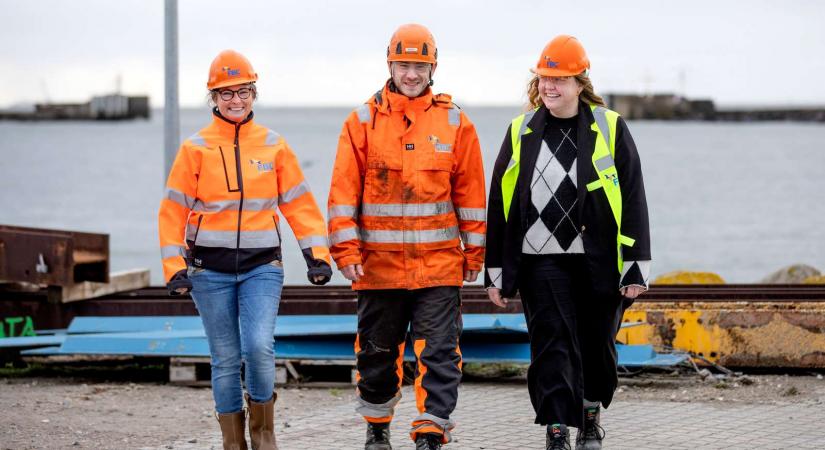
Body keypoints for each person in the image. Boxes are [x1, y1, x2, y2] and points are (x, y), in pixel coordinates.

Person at [158, 49, 332, 450]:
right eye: (226, 93)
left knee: (258, 346)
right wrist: (174, 266)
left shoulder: (274, 145)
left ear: (254, 93)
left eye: (243, 92)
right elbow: (172, 210)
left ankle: (264, 435)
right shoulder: (195, 148)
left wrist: (316, 254)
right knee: (224, 357)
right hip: (208, 271)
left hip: (262, 267)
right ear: (213, 98)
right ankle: (233, 442)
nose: (235, 100)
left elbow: (299, 203)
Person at [484, 35, 651, 450]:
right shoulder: (521, 130)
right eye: (544, 78)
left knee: (597, 347)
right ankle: (556, 428)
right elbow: (500, 203)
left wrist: (636, 264)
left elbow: (632, 197)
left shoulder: (609, 127)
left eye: (559, 79)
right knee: (551, 344)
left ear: (580, 81)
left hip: (598, 260)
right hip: (540, 261)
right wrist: (496, 269)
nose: (549, 87)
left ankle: (589, 417)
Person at [327, 24, 486, 450]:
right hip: (378, 268)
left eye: (419, 65)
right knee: (377, 355)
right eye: (403, 65)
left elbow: (470, 195)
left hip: (438, 266)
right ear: (389, 65)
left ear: (433, 67)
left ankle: (431, 429)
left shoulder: (456, 122)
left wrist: (474, 255)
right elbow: (342, 194)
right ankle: (378, 425)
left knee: (439, 354)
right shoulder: (361, 122)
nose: (411, 74)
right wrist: (345, 251)